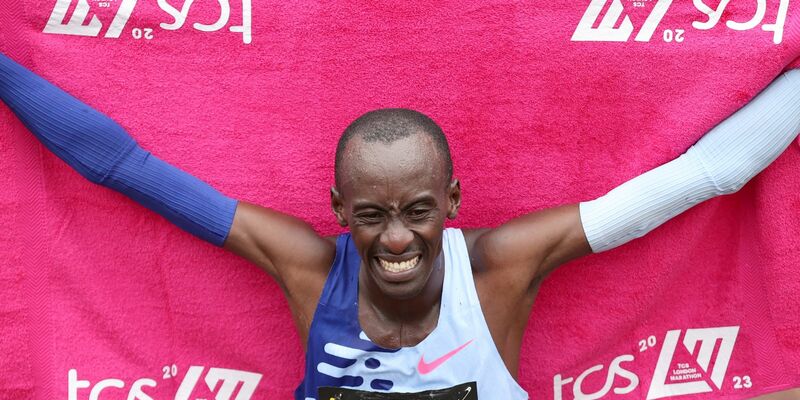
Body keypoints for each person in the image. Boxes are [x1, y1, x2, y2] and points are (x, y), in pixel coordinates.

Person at [1, 52, 799, 399]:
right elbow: (126, 168)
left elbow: (707, 175)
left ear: (452, 202)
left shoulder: (500, 267)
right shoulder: (308, 266)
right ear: (337, 210)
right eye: (371, 216)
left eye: (417, 212)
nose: (394, 240)